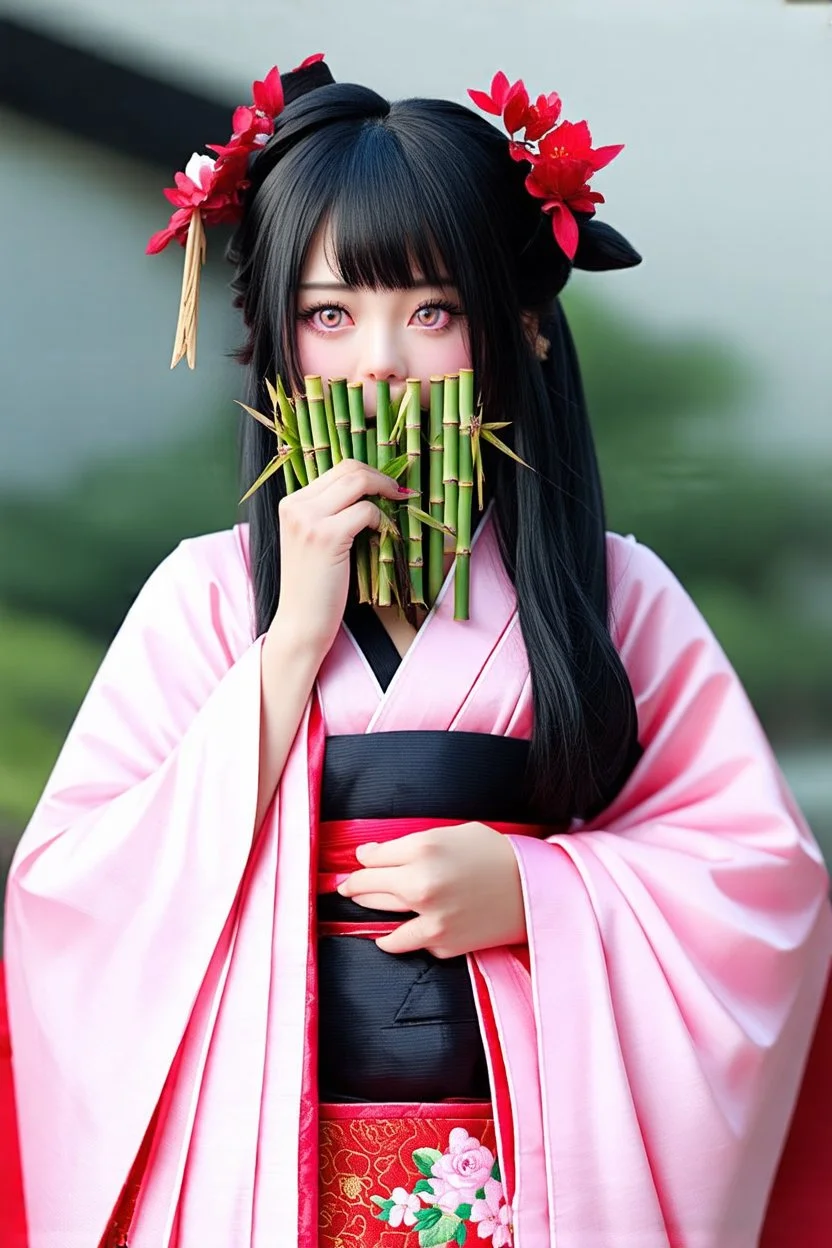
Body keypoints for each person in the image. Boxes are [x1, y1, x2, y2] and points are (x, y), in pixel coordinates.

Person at [2, 55, 830, 1248]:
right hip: (264, 1160)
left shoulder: (616, 593)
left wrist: (541, 892)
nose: (379, 361)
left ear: (524, 328)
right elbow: (69, 895)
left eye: (431, 311)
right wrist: (292, 640)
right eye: (329, 315)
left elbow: (760, 884)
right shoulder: (206, 596)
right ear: (276, 345)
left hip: (523, 1159)